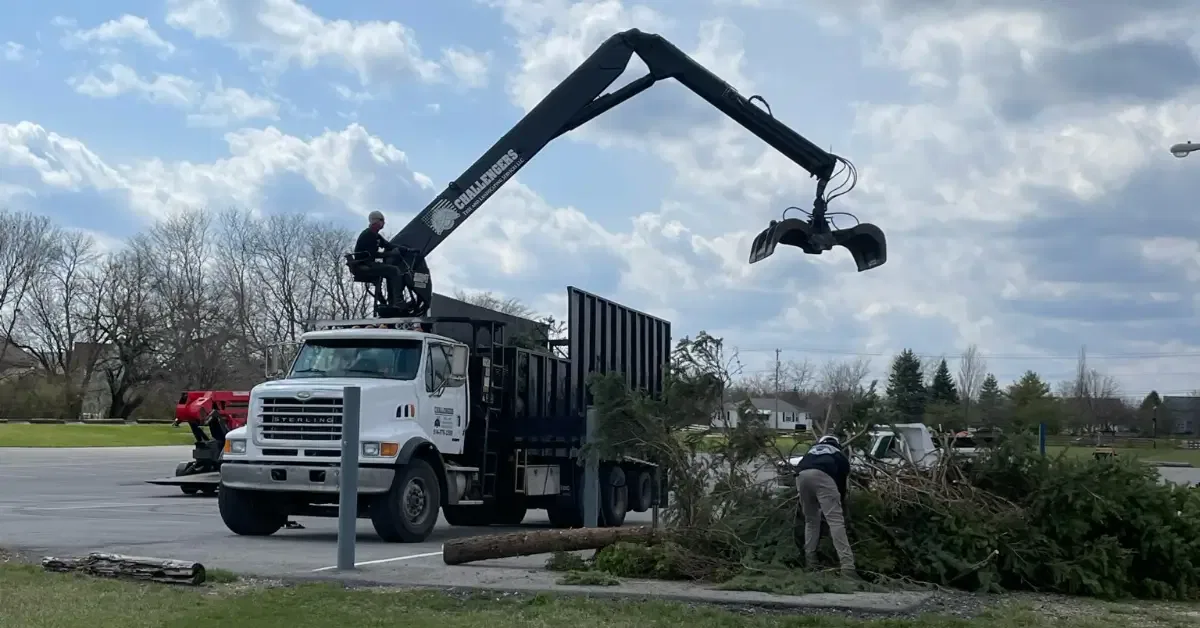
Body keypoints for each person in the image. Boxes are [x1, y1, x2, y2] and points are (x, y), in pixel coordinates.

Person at [794, 434, 856, 576]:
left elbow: (801, 465)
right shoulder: (838, 453)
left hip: (801, 476)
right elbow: (841, 481)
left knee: (810, 520)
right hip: (823, 476)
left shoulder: (812, 450)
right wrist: (841, 500)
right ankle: (848, 567)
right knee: (835, 522)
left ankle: (810, 562)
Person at [354, 211, 404, 306]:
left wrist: (406, 249)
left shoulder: (375, 235)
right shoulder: (368, 235)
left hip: (368, 263)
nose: (384, 223)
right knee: (395, 270)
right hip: (364, 264)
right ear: (375, 221)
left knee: (388, 271)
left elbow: (388, 245)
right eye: (382, 220)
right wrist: (391, 254)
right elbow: (373, 254)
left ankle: (386, 299)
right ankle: (398, 300)